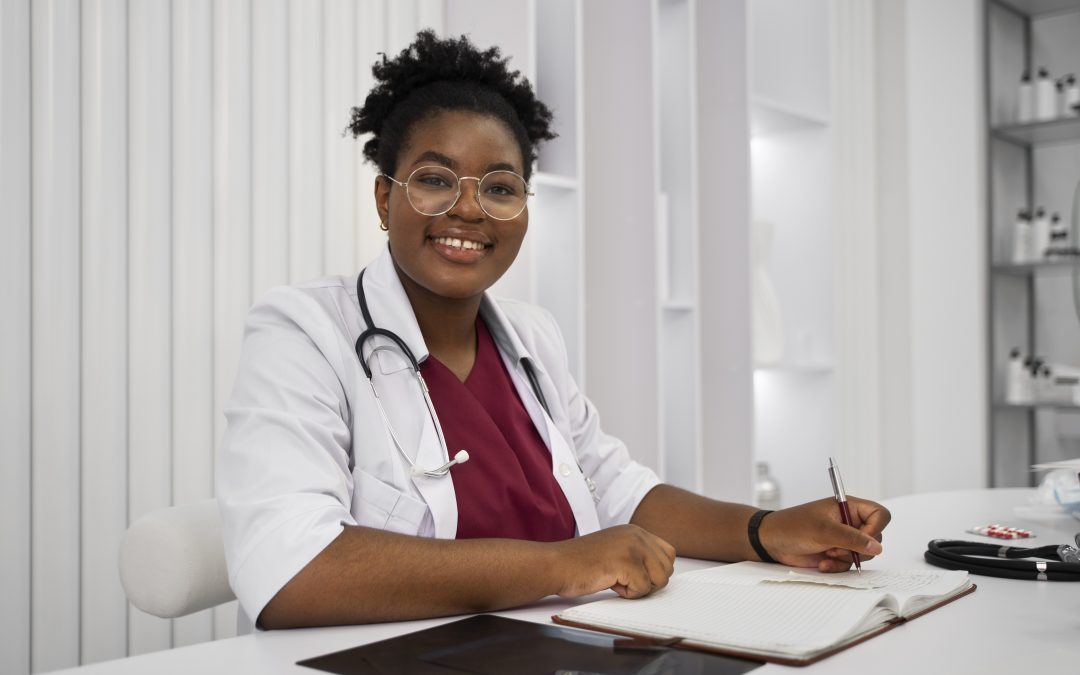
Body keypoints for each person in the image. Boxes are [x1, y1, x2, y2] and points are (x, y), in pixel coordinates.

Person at [216, 30, 890, 631]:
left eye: (501, 187)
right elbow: (292, 569)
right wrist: (567, 564)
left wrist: (765, 529)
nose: (469, 209)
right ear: (385, 198)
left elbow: (620, 489)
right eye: (434, 179)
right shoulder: (304, 332)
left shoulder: (532, 338)